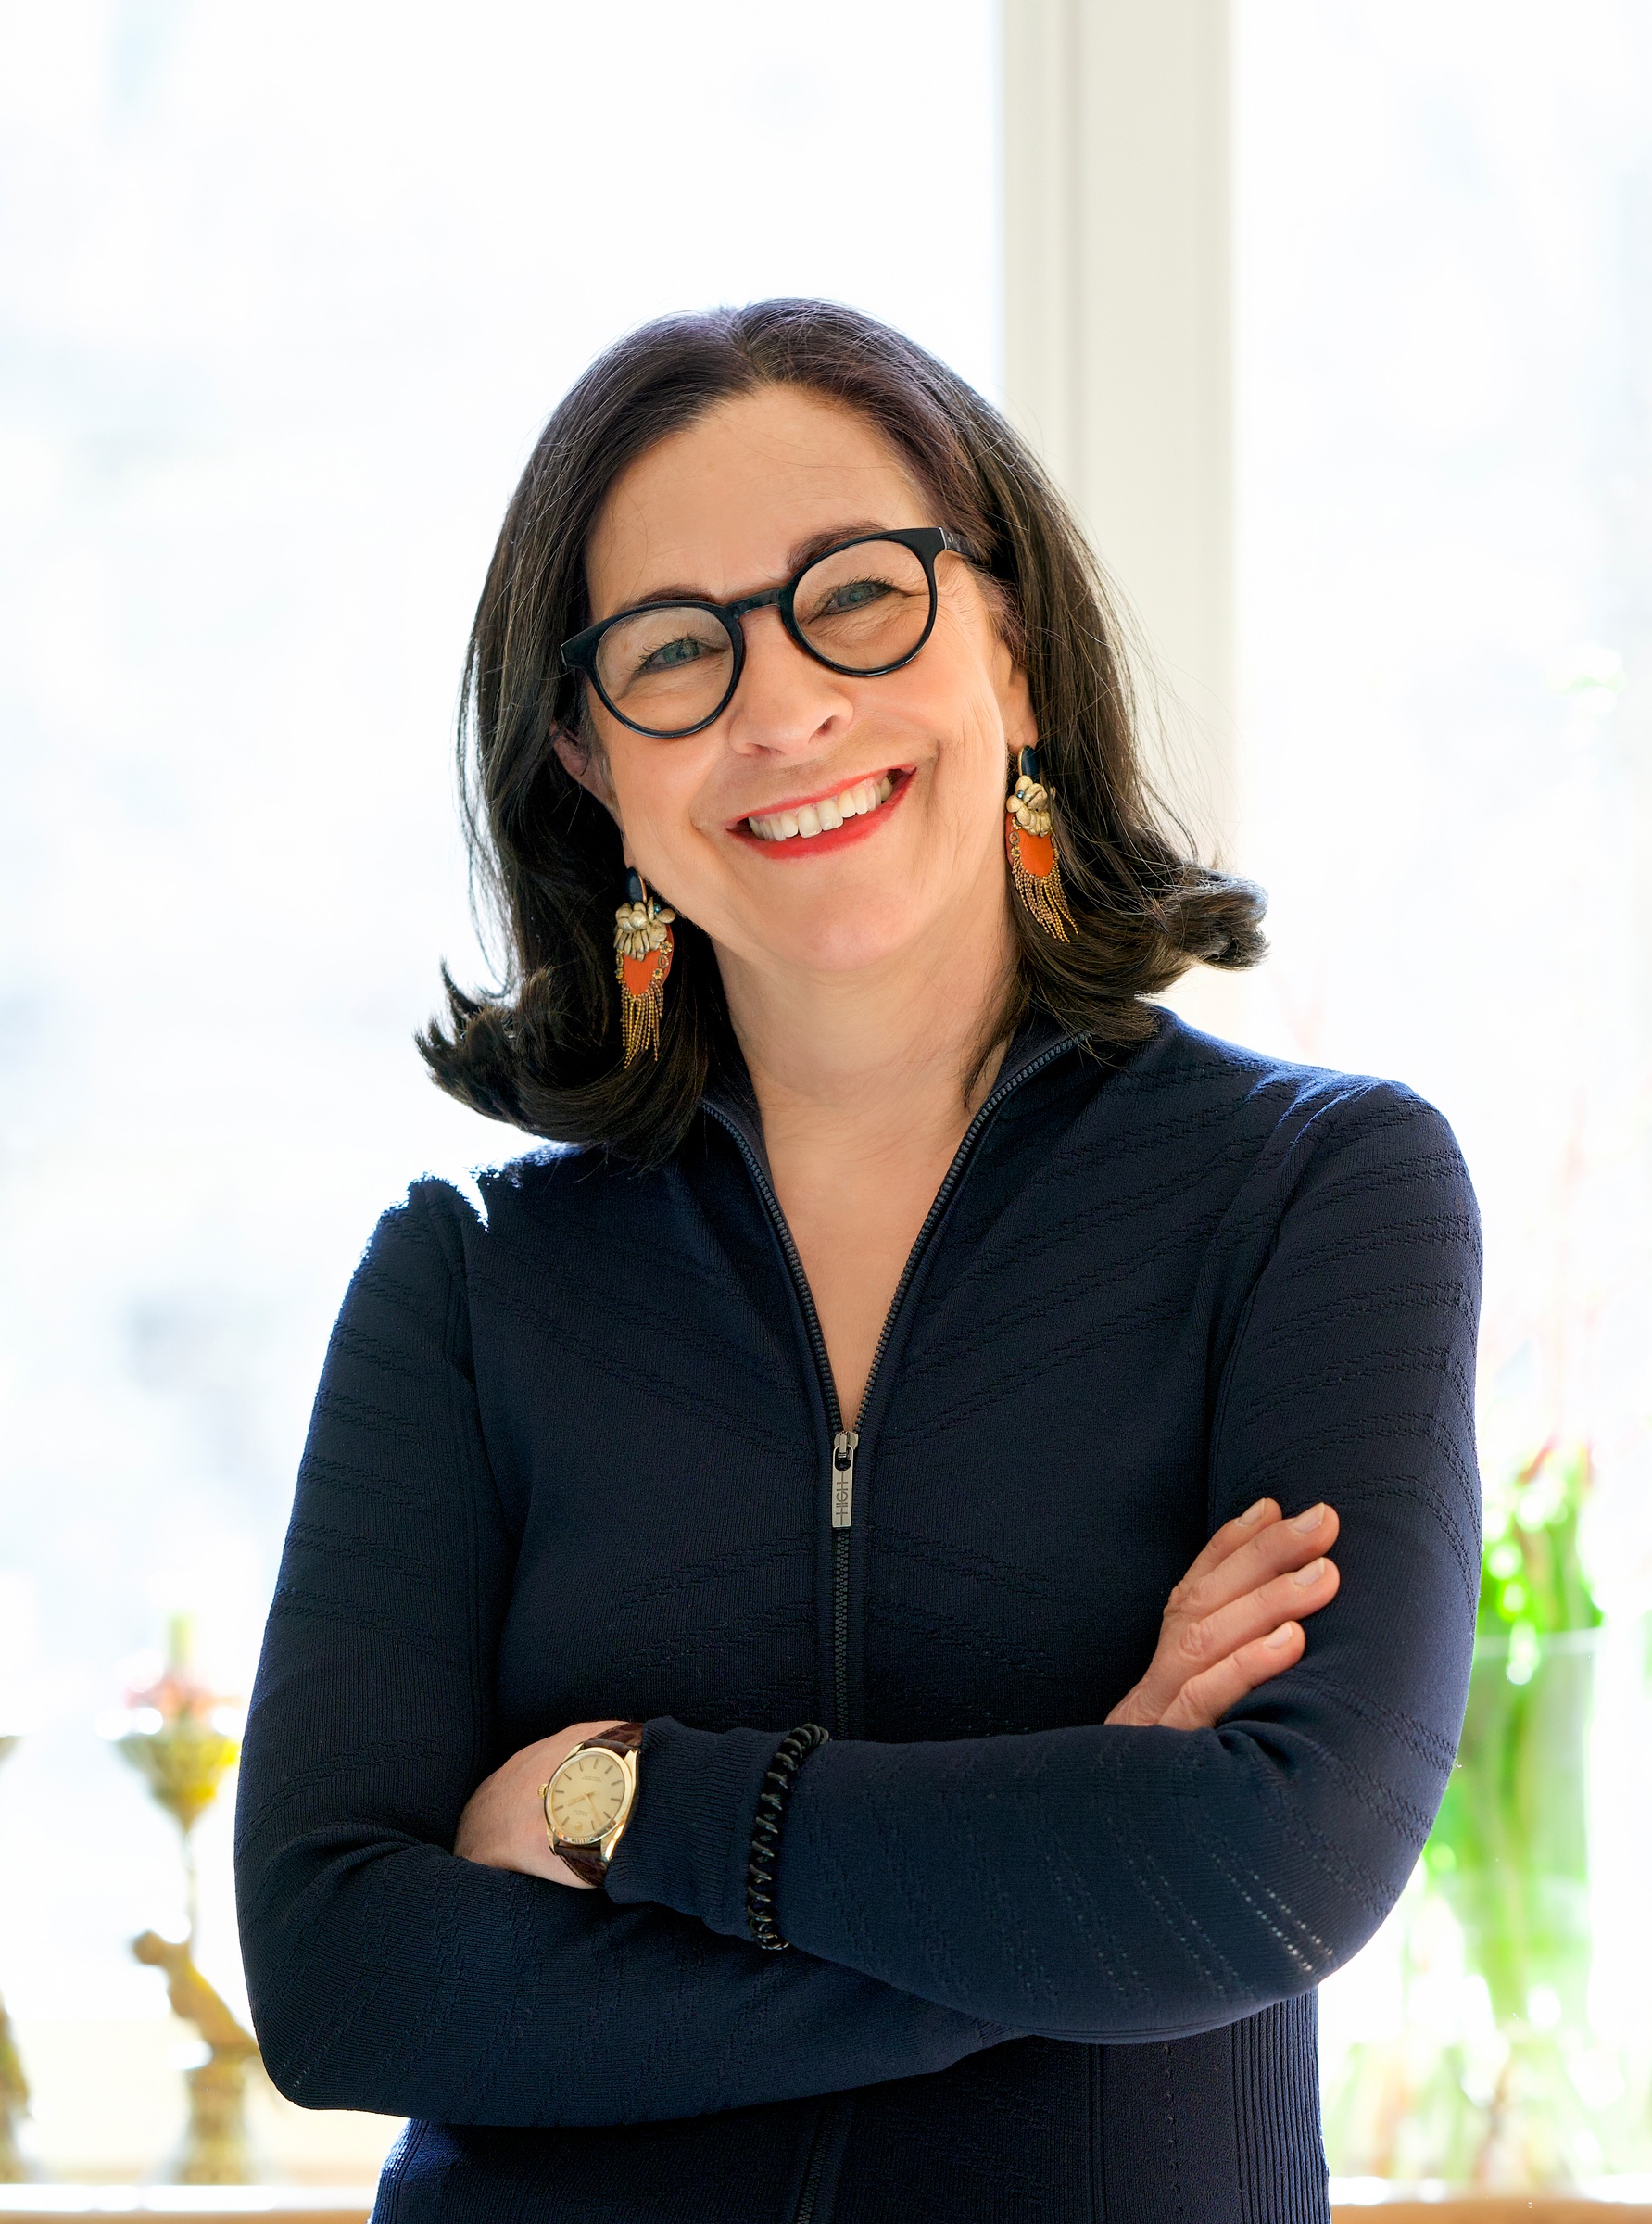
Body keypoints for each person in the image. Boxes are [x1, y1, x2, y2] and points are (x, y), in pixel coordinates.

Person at [234, 300, 1481, 2224]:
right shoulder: (467, 1285)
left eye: (861, 598)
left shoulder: (1319, 1195)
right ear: (589, 759)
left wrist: (623, 1799)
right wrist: (1058, 1915)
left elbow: (1266, 1873)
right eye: (675, 649)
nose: (782, 707)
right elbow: (343, 1982)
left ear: (1014, 650)